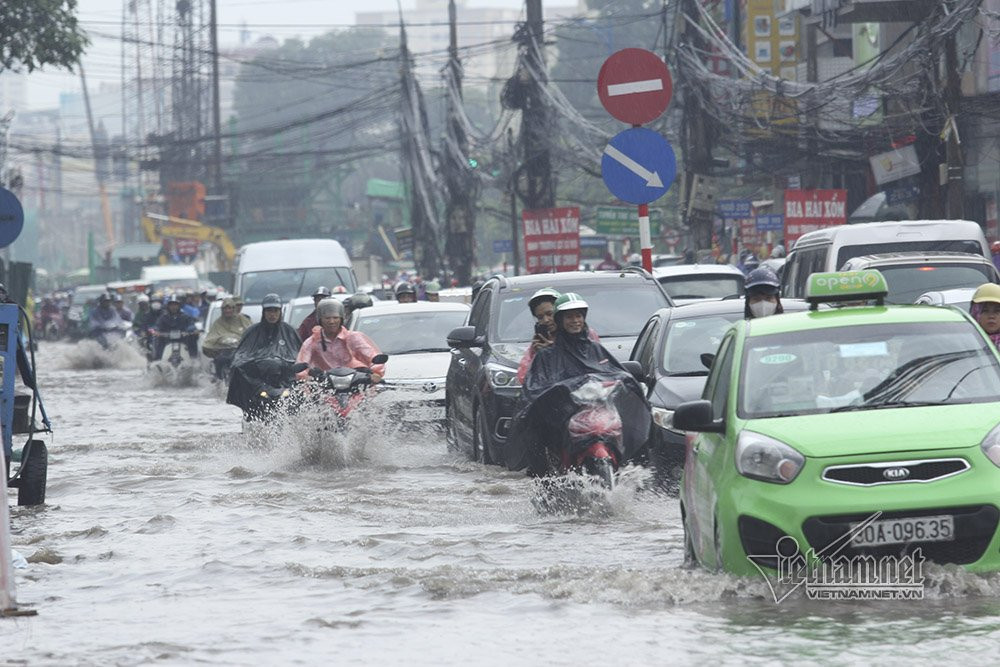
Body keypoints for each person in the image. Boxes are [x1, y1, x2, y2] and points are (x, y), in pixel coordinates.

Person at [510, 293, 649, 475]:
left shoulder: (595, 348)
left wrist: (626, 381)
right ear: (560, 320)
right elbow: (535, 389)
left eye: (578, 316)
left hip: (598, 410)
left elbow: (613, 372)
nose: (575, 321)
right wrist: (558, 393)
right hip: (563, 416)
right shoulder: (546, 355)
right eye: (569, 317)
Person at [226, 294, 303, 419]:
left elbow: (300, 355)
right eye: (269, 311)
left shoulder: (289, 332)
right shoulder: (252, 332)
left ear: (280, 311)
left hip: (284, 381)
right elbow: (240, 358)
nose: (272, 314)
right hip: (258, 382)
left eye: (275, 310)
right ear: (264, 312)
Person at [516, 288, 600, 384]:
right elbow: (524, 378)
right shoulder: (539, 343)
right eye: (540, 317)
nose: (546, 320)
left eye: (549, 314)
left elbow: (599, 368)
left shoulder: (586, 335)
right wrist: (539, 356)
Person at [296, 298, 385, 381]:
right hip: (326, 387)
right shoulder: (312, 342)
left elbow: (371, 355)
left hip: (356, 384)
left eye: (335, 318)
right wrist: (305, 377)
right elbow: (301, 364)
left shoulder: (353, 337)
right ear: (320, 320)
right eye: (327, 318)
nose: (331, 322)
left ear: (341, 319)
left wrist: (376, 374)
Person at [203, 297, 252, 378]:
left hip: (241, 351)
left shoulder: (243, 319)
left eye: (230, 308)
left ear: (233, 308)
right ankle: (219, 382)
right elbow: (210, 339)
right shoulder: (218, 323)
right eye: (225, 308)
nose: (228, 311)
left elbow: (250, 332)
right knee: (219, 361)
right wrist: (221, 341)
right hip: (223, 351)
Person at [153, 295, 199, 360]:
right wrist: (157, 332)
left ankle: (194, 360)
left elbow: (191, 325)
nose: (173, 307)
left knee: (193, 338)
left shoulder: (185, 317)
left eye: (175, 305)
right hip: (167, 340)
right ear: (168, 306)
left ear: (179, 306)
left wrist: (192, 330)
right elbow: (157, 326)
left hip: (184, 340)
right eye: (171, 305)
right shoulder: (163, 318)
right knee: (157, 341)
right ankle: (158, 360)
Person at [971, 283, 1000, 350]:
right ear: (976, 314)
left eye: (997, 311)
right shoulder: (967, 342)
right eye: (985, 311)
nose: (991, 316)